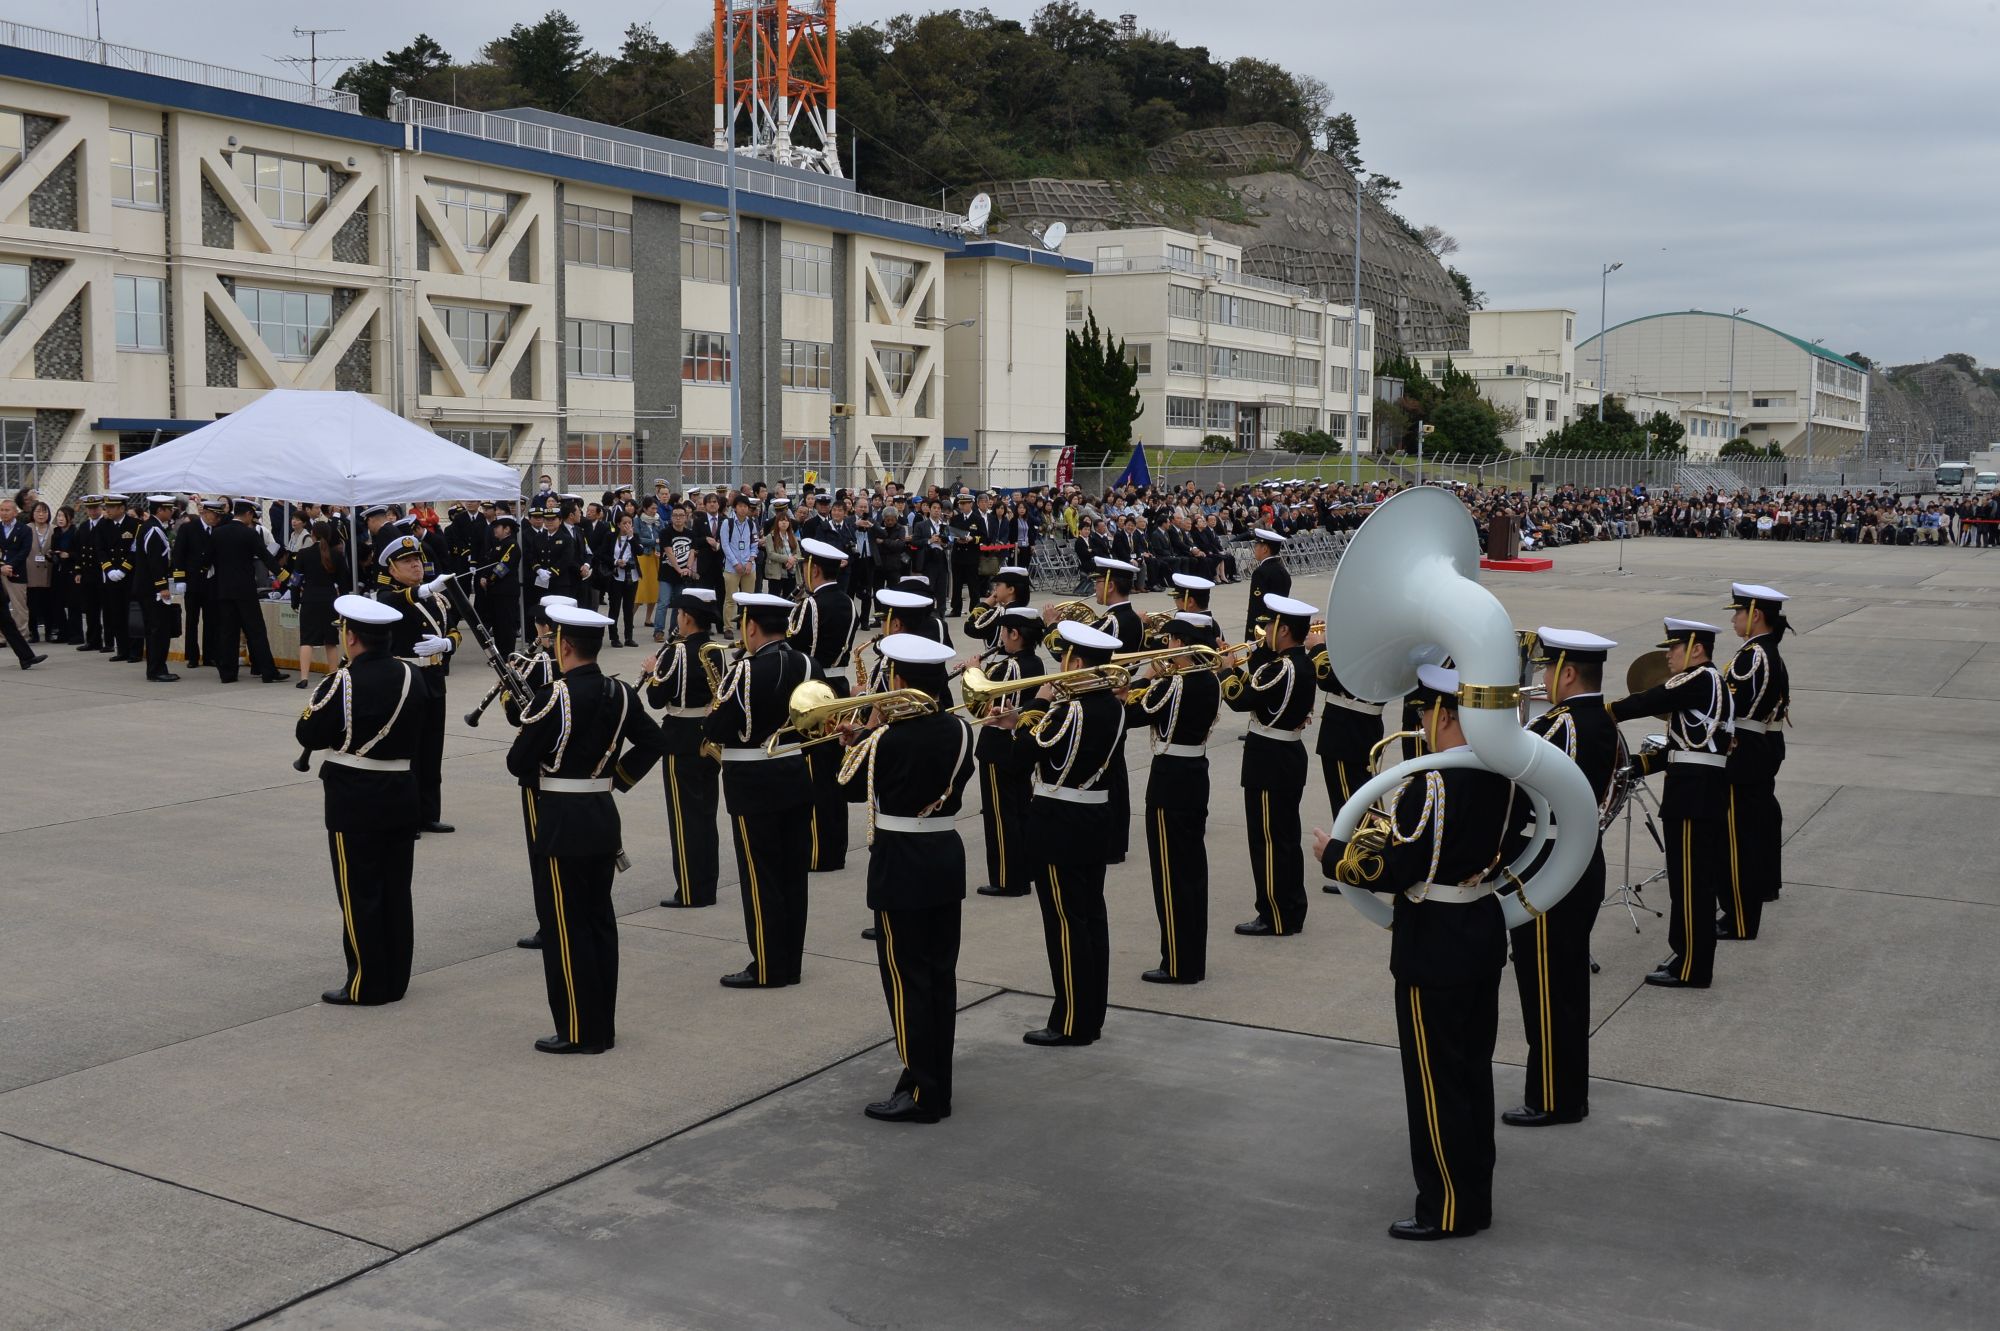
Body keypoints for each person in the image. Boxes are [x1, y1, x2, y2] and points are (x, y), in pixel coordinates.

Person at [1314, 664, 1511, 1241]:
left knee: (1435, 1083)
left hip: (1435, 942)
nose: (1421, 722)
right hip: (1479, 929)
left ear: (1445, 714)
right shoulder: (1505, 771)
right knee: (1472, 1074)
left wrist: (1335, 857)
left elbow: (1395, 868)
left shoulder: (1433, 782)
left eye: (1425, 711)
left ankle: (1447, 1208)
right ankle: (1474, 1198)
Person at [506, 604, 665, 1054]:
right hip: (601, 814)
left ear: (564, 646)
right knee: (598, 924)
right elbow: (654, 740)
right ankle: (601, 1027)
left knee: (565, 928)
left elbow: (518, 762)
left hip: (562, 821)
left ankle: (578, 1030)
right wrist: (616, 779)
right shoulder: (620, 692)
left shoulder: (554, 695)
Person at [834, 632, 977, 1122]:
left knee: (906, 981)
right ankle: (936, 1084)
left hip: (900, 864)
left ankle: (922, 1092)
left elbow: (848, 788)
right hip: (943, 857)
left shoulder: (887, 739)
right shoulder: (961, 731)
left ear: (899, 681)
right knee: (938, 978)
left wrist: (862, 736)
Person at [1502, 629, 1620, 1128]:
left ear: (1568, 672)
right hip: (1581, 859)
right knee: (1565, 985)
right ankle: (1567, 1090)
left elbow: (1518, 791)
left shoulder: (1559, 725)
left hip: (1548, 863)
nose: (1544, 676)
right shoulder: (1605, 721)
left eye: (1549, 668)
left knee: (1548, 989)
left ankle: (1554, 1098)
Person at [995, 619, 1125, 1047]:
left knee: (1066, 925)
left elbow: (1018, 760)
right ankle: (1091, 1015)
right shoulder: (1113, 706)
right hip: (1093, 820)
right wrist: (1025, 719)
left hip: (1059, 825)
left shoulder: (1068, 711)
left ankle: (1071, 1022)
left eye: (1066, 658)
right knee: (1091, 919)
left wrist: (1032, 707)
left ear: (1078, 663)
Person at [297, 595, 423, 1006]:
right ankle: (396, 979)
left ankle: (367, 984)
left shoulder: (343, 682)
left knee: (360, 893)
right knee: (395, 890)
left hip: (355, 797)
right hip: (401, 792)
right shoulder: (412, 675)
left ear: (350, 638)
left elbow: (309, 733)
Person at [1608, 617, 1734, 989]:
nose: (1668, 656)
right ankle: (1686, 955)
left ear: (1697, 649)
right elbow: (1682, 748)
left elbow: (1651, 699)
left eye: (1674, 648)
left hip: (1694, 797)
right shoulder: (1708, 684)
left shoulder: (1698, 679)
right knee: (1686, 882)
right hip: (1696, 792)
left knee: (1692, 884)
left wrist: (1602, 712)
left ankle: (1693, 967)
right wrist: (1637, 765)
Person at [704, 591, 816, 988]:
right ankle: (791, 963)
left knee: (761, 876)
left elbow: (718, 728)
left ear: (751, 626)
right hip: (794, 773)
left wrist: (712, 713)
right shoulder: (806, 662)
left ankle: (768, 967)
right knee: (792, 875)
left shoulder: (745, 671)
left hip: (752, 783)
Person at [1126, 611, 1221, 983]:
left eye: (1169, 641)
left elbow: (1133, 714)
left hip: (1170, 782)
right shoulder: (1210, 679)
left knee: (1171, 876)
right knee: (1192, 872)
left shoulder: (1175, 684)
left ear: (1181, 643)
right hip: (1195, 775)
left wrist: (1146, 676)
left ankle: (1178, 964)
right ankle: (1192, 959)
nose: (1166, 647)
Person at [1224, 593, 1318, 937]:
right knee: (1285, 838)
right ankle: (1291, 909)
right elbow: (1262, 686)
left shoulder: (1282, 668)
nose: (1266, 632)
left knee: (1268, 841)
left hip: (1269, 761)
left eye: (1271, 626)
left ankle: (1275, 914)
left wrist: (1225, 671)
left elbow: (1242, 699)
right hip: (1285, 757)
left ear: (1284, 629)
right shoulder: (1299, 663)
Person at [374, 535, 459, 834]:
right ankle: (406, 816)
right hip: (406, 679)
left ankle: (428, 813)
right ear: (392, 569)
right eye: (407, 561)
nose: (416, 566)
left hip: (433, 677)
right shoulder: (387, 595)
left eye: (418, 560)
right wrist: (424, 590)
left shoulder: (437, 598)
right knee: (407, 751)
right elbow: (394, 602)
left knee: (432, 749)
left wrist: (447, 644)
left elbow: (454, 629)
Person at [1720, 583, 1792, 936]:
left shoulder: (1753, 656)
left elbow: (1733, 708)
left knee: (1739, 836)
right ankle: (1762, 886)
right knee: (1760, 820)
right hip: (1761, 748)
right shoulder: (1765, 650)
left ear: (1756, 615)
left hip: (1745, 753)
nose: (1734, 619)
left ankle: (1739, 916)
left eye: (1738, 612)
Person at [644, 586, 722, 910]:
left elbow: (656, 699)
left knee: (684, 817)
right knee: (705, 814)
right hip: (709, 736)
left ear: (687, 617)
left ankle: (691, 891)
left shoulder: (676, 652)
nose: (677, 618)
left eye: (679, 614)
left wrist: (652, 673)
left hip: (681, 737)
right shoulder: (715, 650)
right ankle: (707, 885)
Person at [788, 536, 859, 874]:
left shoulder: (811, 606)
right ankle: (835, 848)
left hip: (815, 690)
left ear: (814, 569)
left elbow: (794, 646)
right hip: (840, 687)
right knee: (833, 769)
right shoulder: (849, 603)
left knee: (815, 771)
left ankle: (818, 852)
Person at [970, 606, 1043, 899]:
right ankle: (1024, 872)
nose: (1000, 637)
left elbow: (979, 705)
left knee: (1000, 816)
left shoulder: (1006, 668)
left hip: (998, 747)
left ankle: (1007, 879)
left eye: (1003, 631)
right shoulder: (1036, 662)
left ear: (1014, 634)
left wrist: (974, 670)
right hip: (1021, 744)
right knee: (1020, 809)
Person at [210, 500, 289, 683]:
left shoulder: (218, 533)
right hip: (245, 590)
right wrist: (286, 577)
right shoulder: (249, 534)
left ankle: (227, 674)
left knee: (228, 632)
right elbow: (266, 558)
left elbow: (209, 560)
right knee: (256, 631)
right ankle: (268, 672)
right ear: (247, 514)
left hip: (224, 589)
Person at [292, 519, 352, 687]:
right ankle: (333, 676)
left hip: (309, 600)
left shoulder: (303, 554)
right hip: (330, 600)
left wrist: (295, 601)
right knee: (331, 640)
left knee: (306, 640)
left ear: (312, 534)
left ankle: (304, 678)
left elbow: (295, 581)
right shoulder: (337, 555)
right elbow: (344, 584)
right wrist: (344, 605)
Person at [135, 495, 182, 683]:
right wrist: (162, 586)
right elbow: (154, 560)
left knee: (156, 629)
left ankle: (156, 668)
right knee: (158, 630)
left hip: (149, 586)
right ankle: (157, 670)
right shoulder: (153, 529)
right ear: (160, 510)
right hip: (152, 588)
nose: (171, 512)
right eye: (169, 509)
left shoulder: (153, 527)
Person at [93, 495, 141, 662]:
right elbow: (100, 549)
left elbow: (135, 550)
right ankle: (122, 650)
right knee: (116, 613)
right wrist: (109, 569)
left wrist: (123, 569)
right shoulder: (103, 525)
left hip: (130, 576)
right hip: (112, 576)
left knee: (133, 614)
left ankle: (135, 651)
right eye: (107, 507)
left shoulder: (135, 525)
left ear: (121, 508)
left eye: (112, 507)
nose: (108, 510)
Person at [172, 498, 217, 668]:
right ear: (205, 513)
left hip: (211, 581)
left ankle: (210, 655)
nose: (216, 518)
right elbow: (178, 554)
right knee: (192, 620)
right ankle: (192, 656)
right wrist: (179, 578)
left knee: (211, 619)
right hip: (192, 581)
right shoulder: (188, 528)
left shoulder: (217, 529)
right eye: (214, 515)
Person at [476, 512, 522, 657]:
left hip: (505, 591)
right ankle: (500, 653)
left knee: (506, 624)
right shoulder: (499, 544)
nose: (495, 529)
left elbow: (503, 567)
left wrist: (489, 579)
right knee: (497, 624)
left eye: (498, 527)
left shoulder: (512, 545)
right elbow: (489, 563)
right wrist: (484, 576)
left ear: (507, 529)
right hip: (495, 591)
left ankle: (507, 654)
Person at [1245, 527, 1292, 640]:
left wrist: (1251, 632)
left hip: (1262, 630)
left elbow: (1256, 606)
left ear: (1265, 549)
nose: (1254, 549)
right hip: (1278, 626)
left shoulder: (1260, 572)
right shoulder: (1282, 570)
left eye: (1256, 546)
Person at [603, 513, 641, 647]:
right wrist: (615, 562)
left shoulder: (634, 537)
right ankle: (614, 637)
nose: (627, 525)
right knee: (614, 607)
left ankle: (629, 637)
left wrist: (631, 537)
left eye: (630, 523)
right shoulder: (611, 536)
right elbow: (602, 554)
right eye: (624, 523)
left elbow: (640, 551)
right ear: (618, 524)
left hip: (632, 576)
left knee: (628, 608)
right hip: (616, 576)